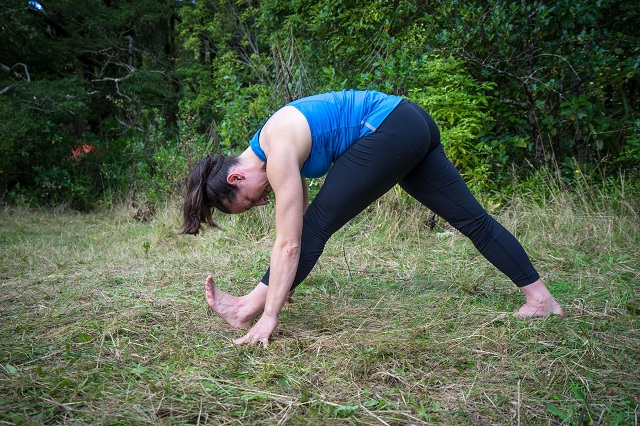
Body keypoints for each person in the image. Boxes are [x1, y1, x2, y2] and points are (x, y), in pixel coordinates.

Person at [182, 90, 563, 348]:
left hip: (391, 127)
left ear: (236, 177)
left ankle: (249, 308)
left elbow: (291, 241)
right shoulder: (270, 145)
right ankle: (541, 300)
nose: (262, 202)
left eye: (250, 200)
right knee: (471, 219)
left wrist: (269, 315)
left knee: (312, 226)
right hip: (410, 121)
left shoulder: (276, 148)